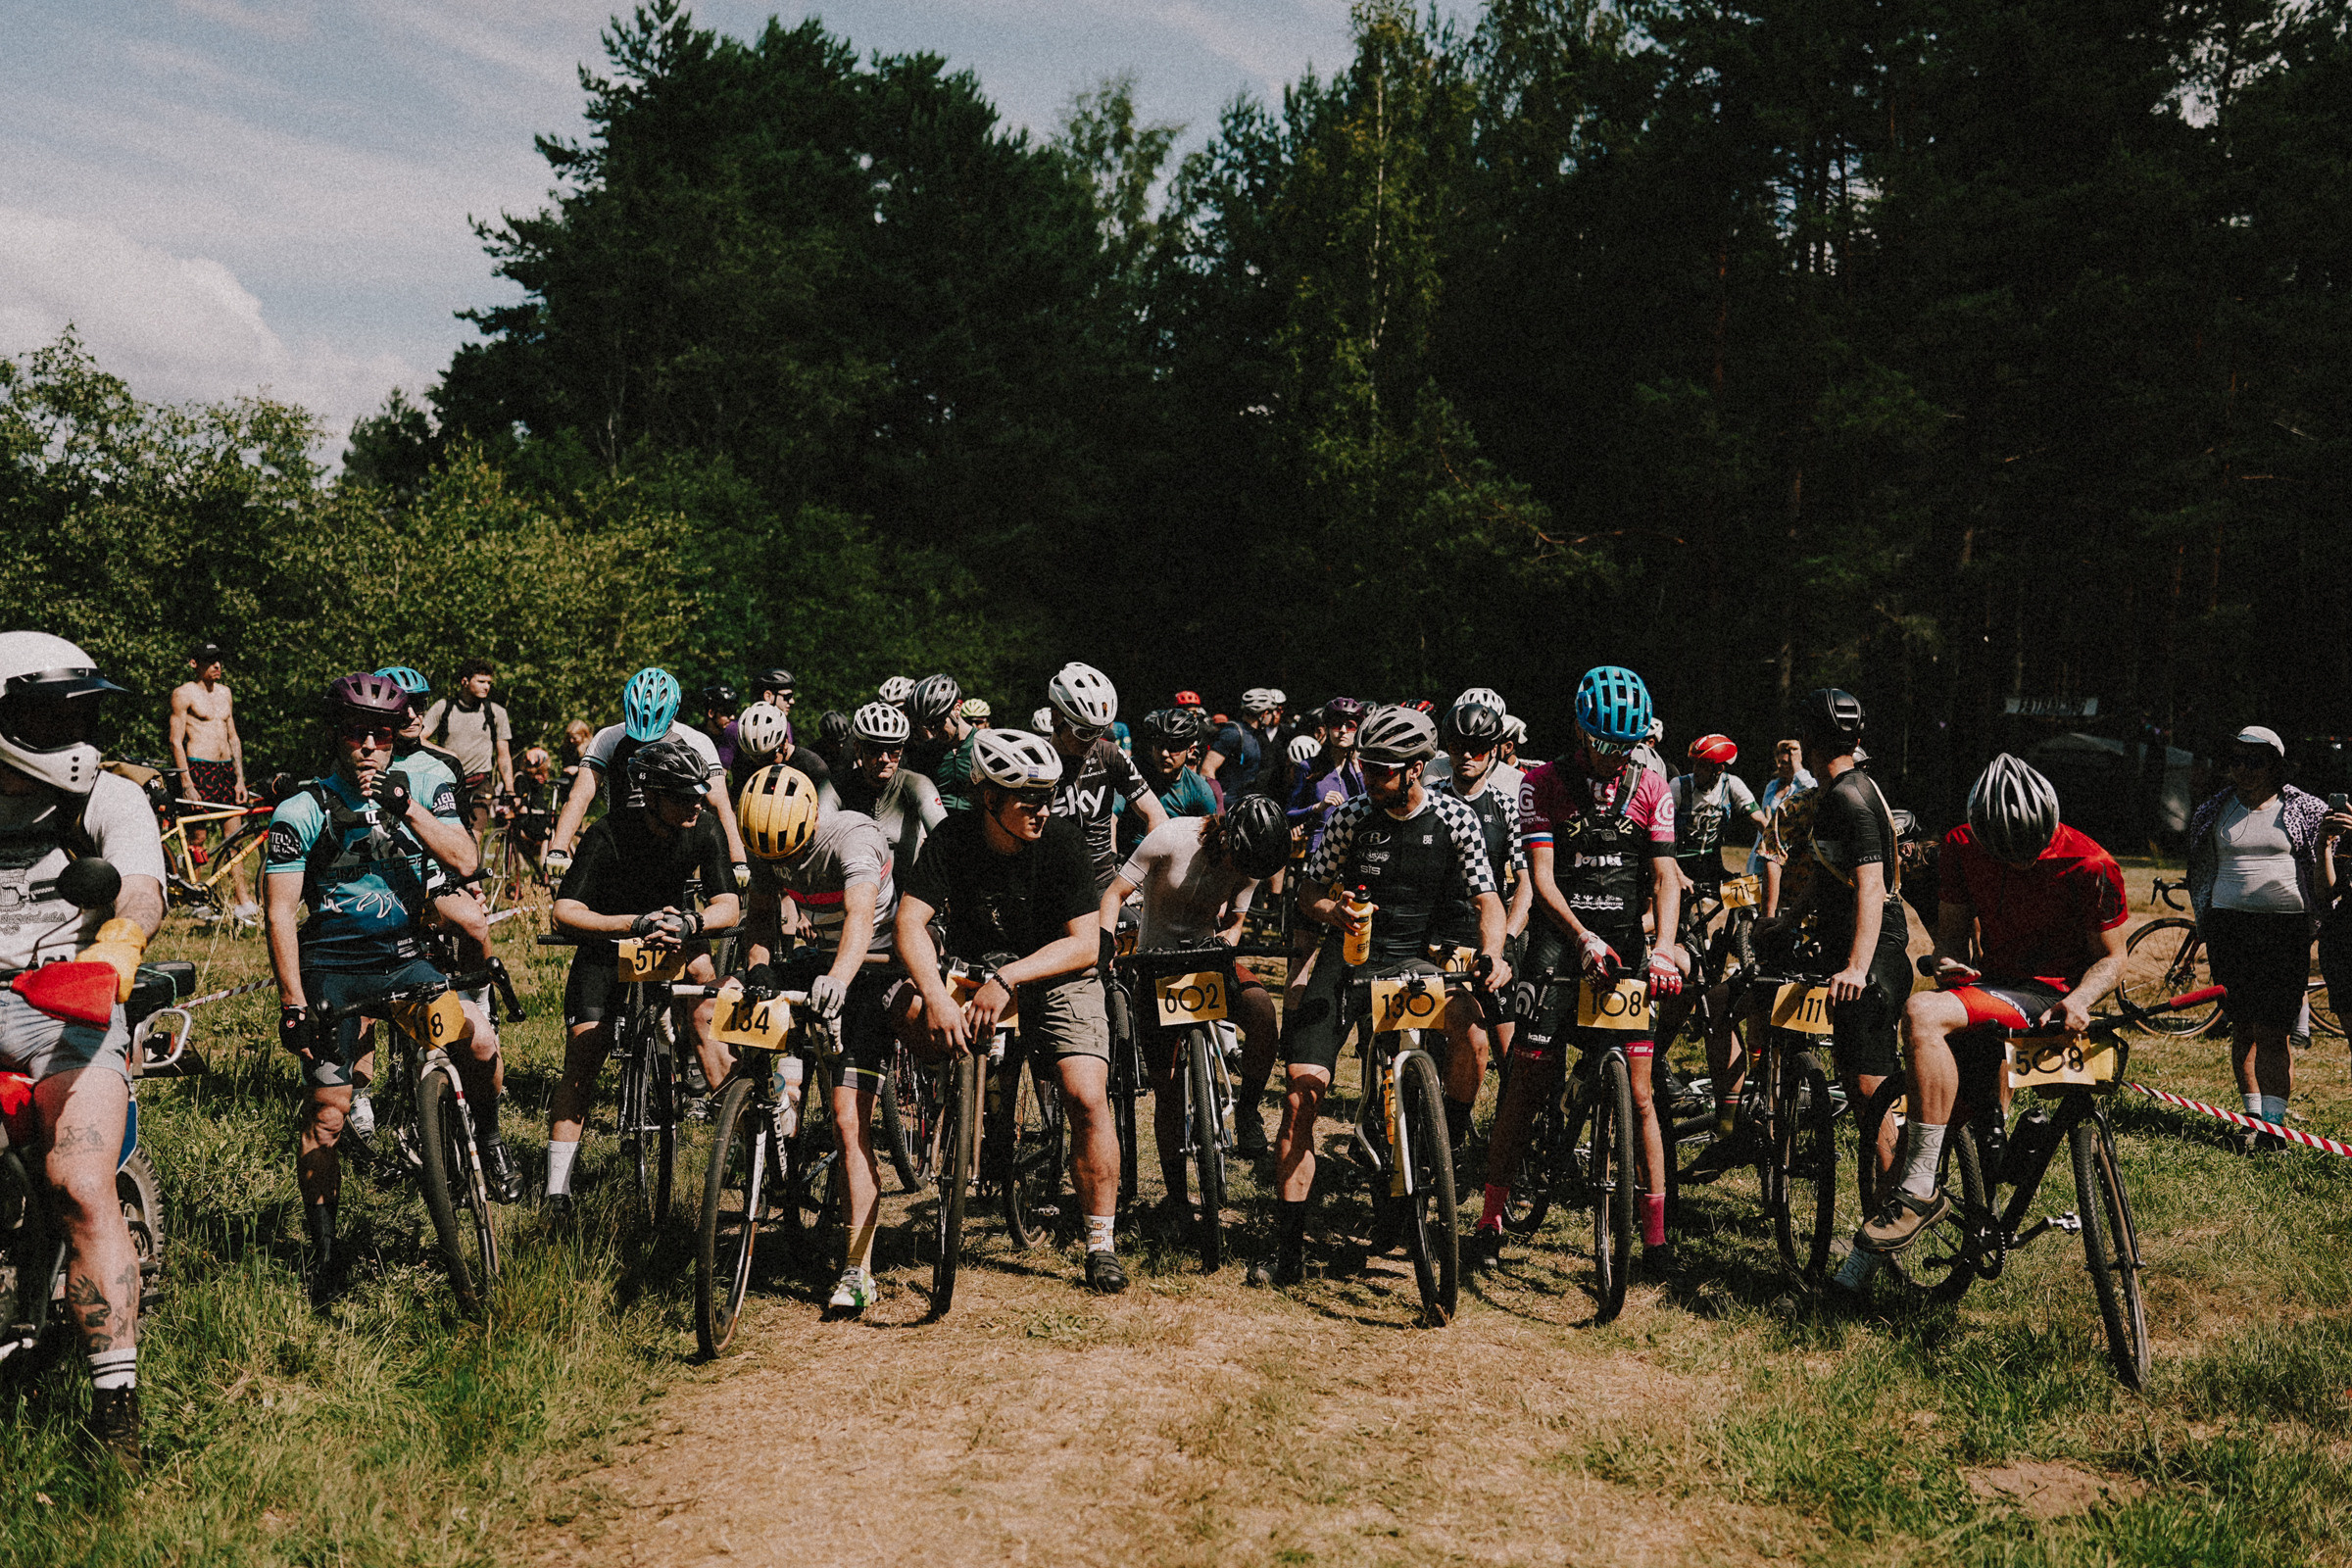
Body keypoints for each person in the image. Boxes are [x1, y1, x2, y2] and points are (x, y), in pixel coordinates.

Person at [264, 673, 513, 1313]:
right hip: (333, 972)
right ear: (337, 736)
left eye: (382, 733)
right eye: (357, 733)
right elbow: (279, 915)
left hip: (405, 963)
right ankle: (324, 1256)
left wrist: (410, 810)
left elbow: (463, 859)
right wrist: (293, 1002)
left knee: (480, 1041)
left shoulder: (416, 788)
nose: (370, 745)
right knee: (326, 1114)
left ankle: (484, 1134)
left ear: (396, 736)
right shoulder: (303, 810)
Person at [1250, 705, 1509, 1288]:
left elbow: (1487, 900)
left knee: (1472, 1029)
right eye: (1365, 766)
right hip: (1350, 958)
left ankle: (1451, 1134)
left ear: (1417, 768)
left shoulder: (1455, 819)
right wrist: (1331, 910)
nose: (1367, 777)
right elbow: (1309, 893)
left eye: (1382, 770)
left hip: (1418, 959)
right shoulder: (1351, 818)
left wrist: (1493, 954)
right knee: (1300, 1097)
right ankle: (1287, 1250)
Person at [0, 632, 167, 1463]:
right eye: (52, 717)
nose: (77, 737)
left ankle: (116, 1408)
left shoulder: (109, 796)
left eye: (84, 716)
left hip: (70, 1004)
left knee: (78, 1178)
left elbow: (139, 879)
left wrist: (123, 938)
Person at [1854, 755, 2130, 1257]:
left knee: (1921, 1014)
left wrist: (2081, 999)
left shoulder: (2093, 864)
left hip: (2051, 993)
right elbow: (1952, 940)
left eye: (2029, 851)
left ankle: (1919, 1189)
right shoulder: (1961, 845)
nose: (2017, 864)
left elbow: (2114, 959)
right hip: (1993, 988)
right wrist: (1949, 965)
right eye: (2003, 855)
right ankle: (1858, 1271)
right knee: (1939, 1118)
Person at [893, 728, 1129, 1292]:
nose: (1043, 809)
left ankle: (1101, 1240)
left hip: (1052, 971)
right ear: (989, 798)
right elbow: (909, 923)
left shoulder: (1064, 842)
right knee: (907, 1013)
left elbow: (1087, 943)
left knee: (1085, 1094)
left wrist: (1011, 977)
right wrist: (932, 995)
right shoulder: (952, 838)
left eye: (1048, 796)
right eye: (1028, 799)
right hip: (978, 969)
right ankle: (942, 1127)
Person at [1473, 665, 1679, 1274]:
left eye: (1629, 746)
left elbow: (1665, 874)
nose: (1617, 758)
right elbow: (1540, 880)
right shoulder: (1540, 783)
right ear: (1581, 733)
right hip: (1559, 943)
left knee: (1641, 1097)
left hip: (1623, 942)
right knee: (1527, 1081)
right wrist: (1582, 935)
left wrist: (1663, 946)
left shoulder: (1651, 787)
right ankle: (1489, 1216)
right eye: (1605, 746)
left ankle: (1656, 1238)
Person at [544, 737, 743, 1219]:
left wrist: (690, 923)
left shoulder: (704, 827)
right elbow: (564, 911)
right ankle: (556, 1190)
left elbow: (728, 904)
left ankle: (738, 1127)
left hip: (672, 939)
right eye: (682, 795)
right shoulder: (607, 833)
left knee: (704, 983)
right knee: (586, 1051)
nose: (696, 802)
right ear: (650, 796)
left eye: (699, 792)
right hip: (607, 944)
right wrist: (631, 923)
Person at [735, 762, 901, 1314]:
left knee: (848, 1120)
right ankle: (772, 1108)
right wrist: (758, 966)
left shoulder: (851, 837)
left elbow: (858, 916)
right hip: (817, 956)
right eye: (770, 857)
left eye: (789, 853)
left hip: (874, 960)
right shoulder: (766, 844)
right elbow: (759, 918)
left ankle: (858, 1270)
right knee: (732, 1003)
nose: (780, 865)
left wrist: (840, 979)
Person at [1099, 797, 1289, 1226]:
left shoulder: (1251, 859)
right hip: (1155, 961)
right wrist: (1105, 942)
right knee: (1167, 1088)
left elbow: (1237, 921)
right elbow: (1115, 894)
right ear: (1227, 835)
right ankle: (1176, 1197)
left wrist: (1230, 940)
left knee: (1262, 1014)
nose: (1244, 871)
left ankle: (1248, 1110)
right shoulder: (1171, 838)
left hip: (1207, 959)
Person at [2183, 726, 2328, 1152]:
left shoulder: (2304, 807)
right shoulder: (2213, 809)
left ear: (2275, 765)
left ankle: (2274, 1126)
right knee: (2242, 1025)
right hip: (2229, 928)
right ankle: (2250, 1117)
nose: (2243, 769)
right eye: (2236, 760)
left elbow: (2330, 858)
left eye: (2255, 760)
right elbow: (2199, 864)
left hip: (2284, 931)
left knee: (2274, 1030)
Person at [546, 668, 750, 890]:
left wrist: (738, 860)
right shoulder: (609, 737)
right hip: (623, 841)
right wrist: (559, 846)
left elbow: (720, 804)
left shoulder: (697, 741)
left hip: (676, 844)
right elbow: (580, 796)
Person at [1431, 699, 1531, 1151]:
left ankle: (1501, 1143)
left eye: (1477, 747)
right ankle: (1439, 1133)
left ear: (1494, 751)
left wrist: (1506, 941)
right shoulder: (1431, 803)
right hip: (1434, 940)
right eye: (1457, 746)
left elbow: (1526, 884)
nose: (1466, 755)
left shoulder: (1507, 808)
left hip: (1490, 943)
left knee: (1514, 1054)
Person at [1043, 662, 1166, 895]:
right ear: (1056, 718)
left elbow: (1156, 816)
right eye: (1085, 732)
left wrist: (1135, 875)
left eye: (1100, 731)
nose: (1093, 740)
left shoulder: (1108, 753)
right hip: (1053, 885)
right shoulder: (1037, 762)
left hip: (1103, 882)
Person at [167, 642, 257, 923]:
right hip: (198, 769)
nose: (217, 666)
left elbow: (233, 737)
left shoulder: (225, 693)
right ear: (194, 663)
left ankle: (243, 901)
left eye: (219, 660)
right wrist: (186, 781)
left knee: (235, 837)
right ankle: (194, 896)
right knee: (198, 838)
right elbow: (175, 740)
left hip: (225, 770)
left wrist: (240, 778)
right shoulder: (183, 694)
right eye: (210, 661)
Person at [834, 701, 948, 866]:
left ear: (901, 750)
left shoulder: (917, 785)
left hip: (906, 888)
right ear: (858, 748)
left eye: (894, 749)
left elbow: (944, 839)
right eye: (875, 749)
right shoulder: (838, 786)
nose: (885, 759)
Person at [419, 660, 514, 842]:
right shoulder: (444, 707)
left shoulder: (496, 713)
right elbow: (419, 738)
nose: (487, 687)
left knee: (472, 840)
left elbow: (504, 755)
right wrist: (447, 755)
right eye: (481, 681)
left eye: (489, 682)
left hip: (480, 784)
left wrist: (509, 790)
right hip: (448, 783)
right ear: (464, 681)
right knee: (444, 839)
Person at [1124, 709, 1219, 856]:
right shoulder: (1134, 770)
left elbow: (1209, 845)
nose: (1164, 754)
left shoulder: (1201, 792)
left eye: (1173, 748)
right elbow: (1112, 815)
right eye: (1160, 745)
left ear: (1191, 749)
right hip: (1126, 856)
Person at [1747, 739, 1816, 877]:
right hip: (1764, 850)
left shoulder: (1805, 786)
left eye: (1784, 762)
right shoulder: (1772, 786)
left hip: (1790, 857)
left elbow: (1812, 789)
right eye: (1778, 761)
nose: (1779, 766)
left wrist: (1797, 764)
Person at [1203, 689, 1284, 798]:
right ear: (1264, 714)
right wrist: (1218, 803)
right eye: (1271, 712)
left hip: (1245, 803)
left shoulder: (1256, 735)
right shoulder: (1233, 733)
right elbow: (1207, 769)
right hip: (1227, 804)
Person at [695, 680, 740, 770]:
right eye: (727, 712)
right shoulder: (696, 737)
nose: (732, 717)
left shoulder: (734, 736)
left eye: (734, 711)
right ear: (711, 713)